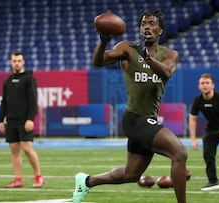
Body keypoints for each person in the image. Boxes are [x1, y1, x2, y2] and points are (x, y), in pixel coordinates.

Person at [73, 9, 188, 203]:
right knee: (180, 153)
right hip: (135, 118)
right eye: (144, 24)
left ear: (161, 30)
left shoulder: (170, 54)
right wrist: (103, 40)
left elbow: (167, 72)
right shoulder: (127, 48)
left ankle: (86, 181)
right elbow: (98, 61)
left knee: (131, 175)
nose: (147, 27)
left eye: (152, 23)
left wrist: (147, 57)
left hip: (149, 118)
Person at [0, 50, 44, 188]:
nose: (17, 63)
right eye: (14, 61)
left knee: (27, 148)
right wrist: (1, 120)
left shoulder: (29, 79)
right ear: (11, 62)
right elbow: (4, 102)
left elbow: (33, 100)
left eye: (19, 61)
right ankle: (18, 179)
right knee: (14, 149)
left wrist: (30, 119)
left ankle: (39, 176)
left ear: (23, 62)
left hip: (24, 120)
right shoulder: (7, 81)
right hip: (11, 121)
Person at [189, 73, 219, 191]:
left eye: (207, 83)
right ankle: (213, 181)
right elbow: (192, 118)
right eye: (202, 83)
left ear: (213, 85)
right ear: (199, 86)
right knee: (208, 154)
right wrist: (193, 139)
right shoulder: (198, 100)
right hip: (212, 128)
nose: (205, 85)